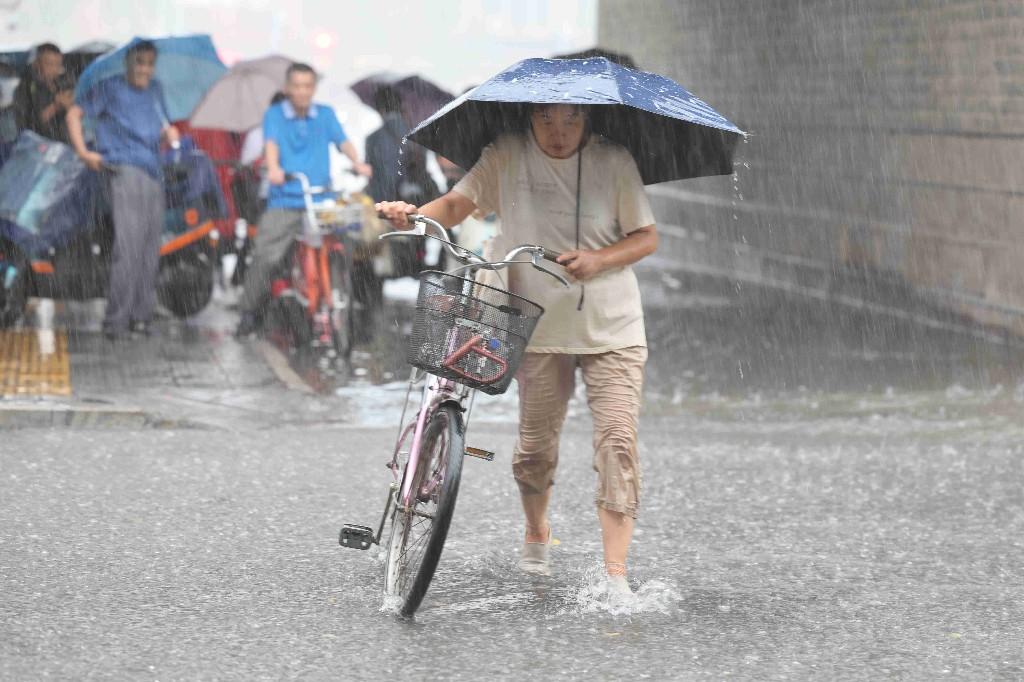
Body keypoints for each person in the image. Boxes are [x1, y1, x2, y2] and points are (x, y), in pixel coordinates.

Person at [377, 103, 658, 593]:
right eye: (546, 120)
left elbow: (646, 237)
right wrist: (413, 215)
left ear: (587, 120)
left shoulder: (615, 162)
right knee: (535, 448)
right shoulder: (506, 154)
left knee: (617, 441)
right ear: (528, 118)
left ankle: (616, 574)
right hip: (536, 324)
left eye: (571, 120)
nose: (558, 131)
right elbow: (456, 206)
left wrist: (600, 258)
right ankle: (536, 530)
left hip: (612, 326)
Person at [235, 63, 372, 337]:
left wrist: (357, 162)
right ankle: (248, 313)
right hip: (285, 198)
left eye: (307, 86)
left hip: (320, 198)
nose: (302, 91)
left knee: (353, 239)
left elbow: (343, 142)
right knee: (265, 256)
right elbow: (271, 145)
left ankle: (342, 292)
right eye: (296, 86)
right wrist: (273, 169)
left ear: (313, 88)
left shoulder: (325, 114)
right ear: (287, 89)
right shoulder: (274, 115)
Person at [66, 40, 180, 340]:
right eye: (139, 62)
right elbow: (73, 114)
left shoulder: (156, 91)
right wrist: (83, 152)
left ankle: (140, 318)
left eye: (149, 63)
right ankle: (116, 322)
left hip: (153, 171)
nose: (144, 69)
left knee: (149, 250)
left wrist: (168, 135)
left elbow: (156, 132)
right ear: (128, 63)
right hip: (123, 170)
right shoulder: (110, 87)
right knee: (128, 249)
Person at [364, 86, 440, 278]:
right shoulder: (417, 134)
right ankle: (418, 262)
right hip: (417, 200)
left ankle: (374, 279)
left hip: (386, 203)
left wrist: (379, 204)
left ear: (380, 110)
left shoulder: (373, 138)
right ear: (400, 106)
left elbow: (377, 176)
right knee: (417, 241)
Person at [12, 43, 73, 144]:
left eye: (58, 64)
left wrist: (71, 105)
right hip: (39, 146)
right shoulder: (25, 88)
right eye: (49, 64)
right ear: (36, 63)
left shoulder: (64, 83)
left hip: (66, 145)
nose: (55, 69)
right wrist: (55, 107)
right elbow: (26, 126)